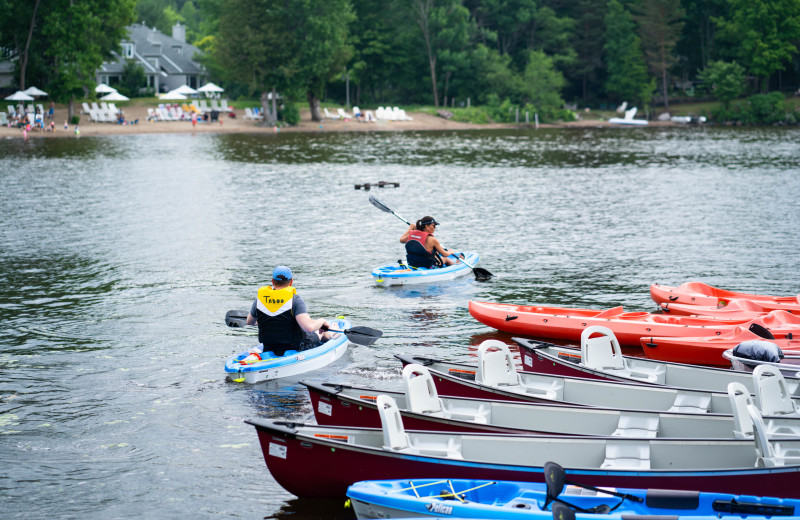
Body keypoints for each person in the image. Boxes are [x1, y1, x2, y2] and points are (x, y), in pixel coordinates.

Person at [245, 266, 335, 356]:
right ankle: (330, 334)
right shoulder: (295, 300)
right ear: (291, 282)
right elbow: (309, 328)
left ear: (272, 281)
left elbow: (250, 322)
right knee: (319, 332)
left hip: (269, 347)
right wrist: (322, 321)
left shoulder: (259, 300)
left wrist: (270, 321)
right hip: (297, 347)